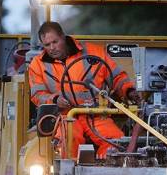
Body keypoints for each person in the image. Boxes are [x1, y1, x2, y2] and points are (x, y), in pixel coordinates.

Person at [28, 21, 141, 158]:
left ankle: (103, 172)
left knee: (117, 143)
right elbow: (37, 95)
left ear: (63, 37)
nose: (52, 48)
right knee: (69, 141)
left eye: (55, 42)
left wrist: (129, 91)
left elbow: (117, 77)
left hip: (95, 114)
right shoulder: (37, 65)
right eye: (47, 45)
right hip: (65, 117)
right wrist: (55, 99)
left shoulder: (95, 53)